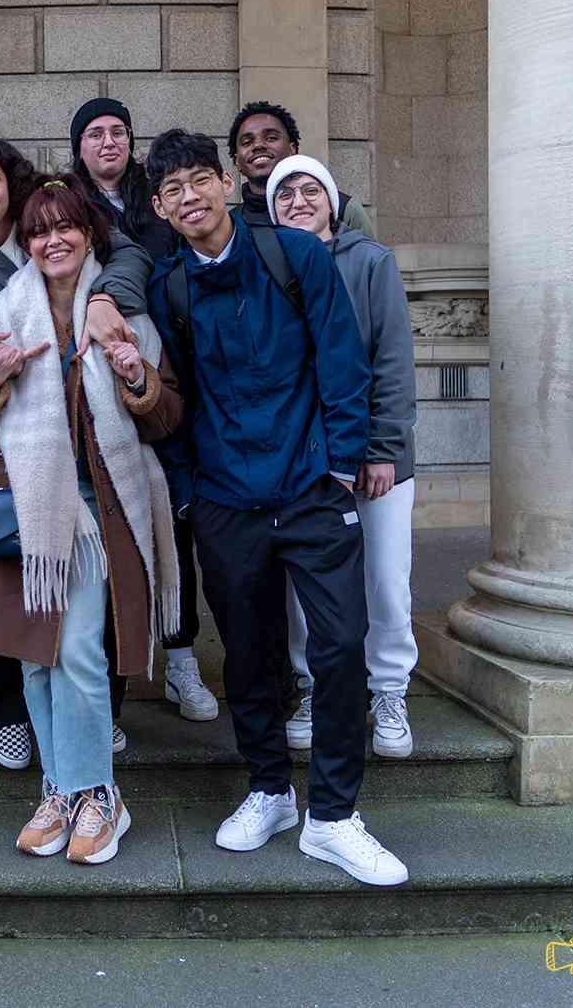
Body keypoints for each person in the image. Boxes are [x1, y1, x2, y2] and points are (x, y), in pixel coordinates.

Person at [144, 128, 409, 888]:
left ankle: (333, 815)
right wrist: (189, 490)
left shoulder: (296, 256)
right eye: (172, 190)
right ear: (160, 209)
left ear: (228, 183)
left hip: (311, 487)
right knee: (250, 656)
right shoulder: (170, 287)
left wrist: (341, 465)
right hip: (225, 499)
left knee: (340, 645)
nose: (190, 197)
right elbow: (175, 397)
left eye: (200, 179)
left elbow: (343, 359)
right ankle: (270, 789)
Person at [0, 175, 182, 864]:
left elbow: (167, 417)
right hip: (26, 507)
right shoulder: (1, 319)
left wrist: (136, 376)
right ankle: (59, 789)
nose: (54, 241)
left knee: (77, 648)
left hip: (97, 509)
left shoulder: (124, 316)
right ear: (27, 243)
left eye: (66, 227)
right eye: (40, 231)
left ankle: (99, 794)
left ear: (88, 233)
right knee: (34, 656)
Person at [0, 131, 153, 768]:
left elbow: (128, 255)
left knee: (90, 606)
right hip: (5, 452)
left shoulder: (46, 228)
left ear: (11, 181)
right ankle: (10, 715)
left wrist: (103, 298)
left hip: (93, 454)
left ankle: (96, 723)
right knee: (13, 591)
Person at [264, 156, 418, 760]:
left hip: (377, 461)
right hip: (305, 462)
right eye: (285, 195)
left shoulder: (370, 262)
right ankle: (313, 687)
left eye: (310, 190)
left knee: (384, 580)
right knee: (307, 588)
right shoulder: (268, 265)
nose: (298, 202)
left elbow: (392, 361)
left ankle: (390, 690)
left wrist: (382, 449)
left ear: (332, 201)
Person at [71, 96, 218, 722]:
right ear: (77, 146)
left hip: (162, 372)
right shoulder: (65, 203)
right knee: (107, 539)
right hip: (93, 382)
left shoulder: (155, 199)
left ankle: (181, 659)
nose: (108, 142)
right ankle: (112, 686)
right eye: (95, 133)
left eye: (119, 132)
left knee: (171, 520)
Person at [228, 101, 375, 239]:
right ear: (236, 161)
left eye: (271, 138)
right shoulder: (231, 225)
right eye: (247, 142)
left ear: (292, 149)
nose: (258, 145)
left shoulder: (345, 210)